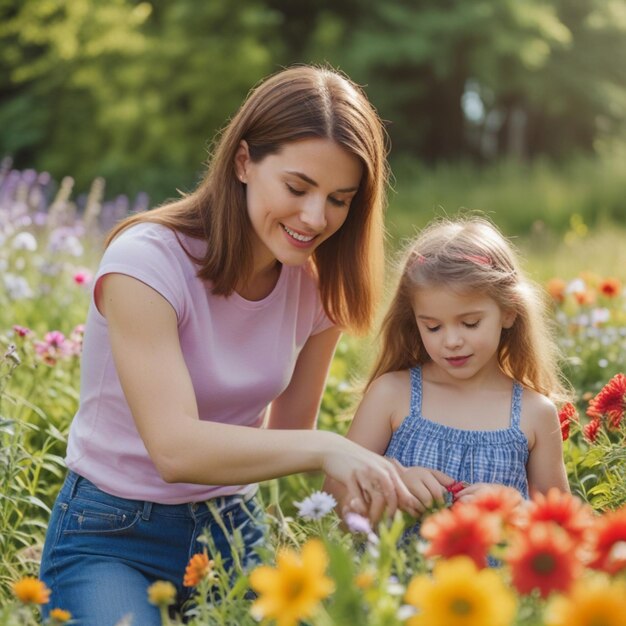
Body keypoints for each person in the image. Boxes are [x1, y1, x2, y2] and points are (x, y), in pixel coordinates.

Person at [39, 65, 421, 625]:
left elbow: (288, 439)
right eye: (297, 187)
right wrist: (330, 447)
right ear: (244, 162)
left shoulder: (315, 288)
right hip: (110, 534)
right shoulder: (146, 263)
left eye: (339, 199)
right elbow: (174, 451)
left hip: (229, 526)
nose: (315, 218)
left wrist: (395, 474)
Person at [326, 216, 571, 521]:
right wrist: (392, 484)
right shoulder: (391, 394)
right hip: (398, 569)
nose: (451, 341)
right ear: (414, 321)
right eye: (432, 327)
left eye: (470, 323)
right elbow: (334, 497)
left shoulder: (534, 413)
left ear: (508, 313)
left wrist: (515, 511)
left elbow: (561, 524)